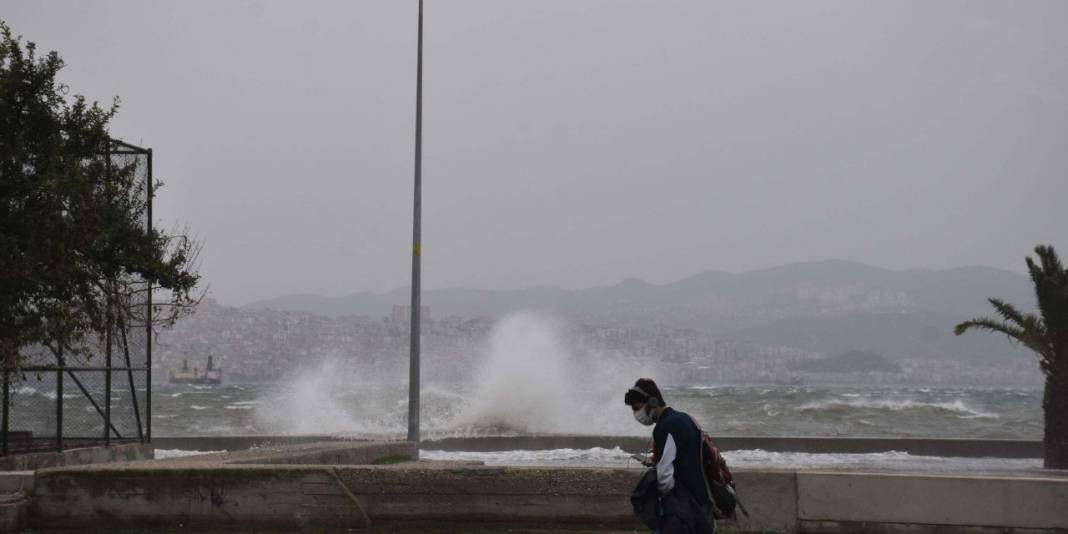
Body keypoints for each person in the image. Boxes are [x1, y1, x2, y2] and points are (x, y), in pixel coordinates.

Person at [625, 378, 714, 534]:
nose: (636, 414)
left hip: (685, 512)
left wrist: (659, 498)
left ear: (652, 402)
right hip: (702, 505)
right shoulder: (685, 418)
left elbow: (665, 475)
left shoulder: (666, 426)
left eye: (637, 408)